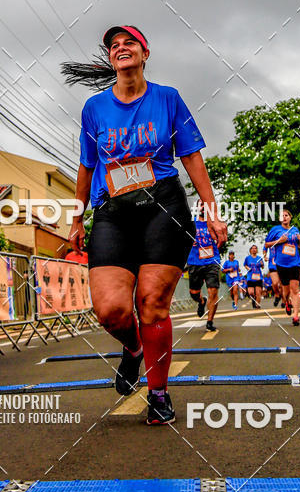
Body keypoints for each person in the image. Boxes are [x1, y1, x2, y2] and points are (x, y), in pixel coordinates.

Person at [63, 26, 227, 424]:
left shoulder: (167, 98)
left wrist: (211, 210)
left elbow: (191, 155)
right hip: (113, 210)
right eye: (114, 45)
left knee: (152, 303)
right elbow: (87, 165)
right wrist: (76, 218)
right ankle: (134, 349)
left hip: (162, 206)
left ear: (144, 52)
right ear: (110, 59)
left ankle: (158, 393)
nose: (121, 48)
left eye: (129, 43)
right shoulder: (94, 108)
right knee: (111, 310)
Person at [264, 209, 300, 325]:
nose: (285, 217)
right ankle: (287, 302)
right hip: (281, 264)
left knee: (295, 289)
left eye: (287, 215)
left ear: (290, 217)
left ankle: (296, 316)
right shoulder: (275, 230)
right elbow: (267, 244)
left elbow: (299, 246)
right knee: (285, 291)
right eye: (282, 216)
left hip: (295, 263)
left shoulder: (295, 230)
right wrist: (279, 241)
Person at [186, 201, 221, 331]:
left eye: (205, 205)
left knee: (213, 291)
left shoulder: (215, 223)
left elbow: (222, 239)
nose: (203, 207)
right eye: (201, 205)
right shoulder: (191, 223)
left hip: (212, 261)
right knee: (194, 293)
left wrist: (214, 251)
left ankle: (209, 322)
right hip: (194, 262)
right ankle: (201, 301)